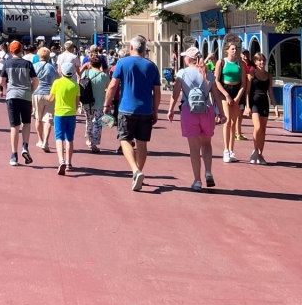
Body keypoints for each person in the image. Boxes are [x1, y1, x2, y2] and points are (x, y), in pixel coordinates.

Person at [103, 34, 161, 192]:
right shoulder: (152, 66)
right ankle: (138, 172)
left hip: (126, 108)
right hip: (146, 109)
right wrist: (155, 111)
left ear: (131, 48)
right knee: (142, 143)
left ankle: (135, 170)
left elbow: (113, 85)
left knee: (124, 139)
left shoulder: (122, 62)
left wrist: (107, 104)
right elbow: (157, 92)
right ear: (144, 49)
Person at [166, 46, 217, 190]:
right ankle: (208, 172)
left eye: (185, 56)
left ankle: (197, 181)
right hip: (207, 110)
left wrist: (171, 109)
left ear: (189, 59)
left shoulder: (182, 73)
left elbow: (175, 94)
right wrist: (221, 113)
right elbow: (216, 95)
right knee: (206, 144)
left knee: (194, 148)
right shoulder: (207, 74)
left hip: (189, 111)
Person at [0, 40, 37, 167]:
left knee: (14, 126)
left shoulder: (7, 63)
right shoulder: (28, 64)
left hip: (12, 96)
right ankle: (25, 146)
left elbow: (2, 82)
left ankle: (14, 155)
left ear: (11, 51)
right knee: (26, 123)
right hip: (25, 95)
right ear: (21, 50)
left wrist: (8, 90)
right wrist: (31, 90)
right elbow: (35, 81)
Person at [214, 39, 247, 163]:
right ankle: (226, 150)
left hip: (237, 91)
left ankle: (232, 150)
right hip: (225, 91)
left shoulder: (241, 64)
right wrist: (226, 95)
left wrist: (238, 97)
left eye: (236, 49)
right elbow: (216, 80)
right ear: (227, 50)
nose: (234, 51)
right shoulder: (221, 62)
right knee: (227, 121)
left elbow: (243, 83)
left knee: (234, 122)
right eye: (232, 49)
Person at [48, 60, 81, 174]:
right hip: (71, 114)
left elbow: (50, 98)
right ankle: (68, 163)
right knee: (69, 139)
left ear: (61, 71)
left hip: (59, 114)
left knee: (59, 137)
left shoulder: (57, 83)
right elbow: (77, 103)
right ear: (73, 73)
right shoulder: (75, 85)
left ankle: (61, 160)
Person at [247, 52, 279, 164]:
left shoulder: (268, 75)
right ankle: (255, 151)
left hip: (264, 102)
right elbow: (247, 91)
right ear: (255, 62)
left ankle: (260, 154)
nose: (262, 62)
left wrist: (275, 106)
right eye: (259, 60)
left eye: (263, 60)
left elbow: (270, 92)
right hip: (254, 102)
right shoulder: (251, 74)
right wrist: (247, 106)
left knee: (263, 130)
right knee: (258, 127)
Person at [83, 55, 111, 152]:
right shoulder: (104, 76)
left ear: (91, 64)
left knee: (89, 121)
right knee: (98, 123)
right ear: (100, 65)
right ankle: (94, 143)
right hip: (100, 103)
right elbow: (108, 89)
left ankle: (89, 139)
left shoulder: (86, 73)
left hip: (87, 102)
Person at [33, 46, 58, 151]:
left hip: (37, 93)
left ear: (39, 55)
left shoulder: (34, 66)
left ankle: (40, 140)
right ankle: (46, 142)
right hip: (49, 93)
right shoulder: (51, 67)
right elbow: (56, 80)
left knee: (38, 117)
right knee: (48, 119)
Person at [236, 49, 253, 141]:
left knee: (243, 112)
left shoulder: (252, 64)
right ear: (241, 55)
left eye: (247, 54)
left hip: (250, 90)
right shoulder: (238, 64)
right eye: (244, 54)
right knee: (239, 113)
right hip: (240, 90)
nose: (245, 56)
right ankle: (237, 133)